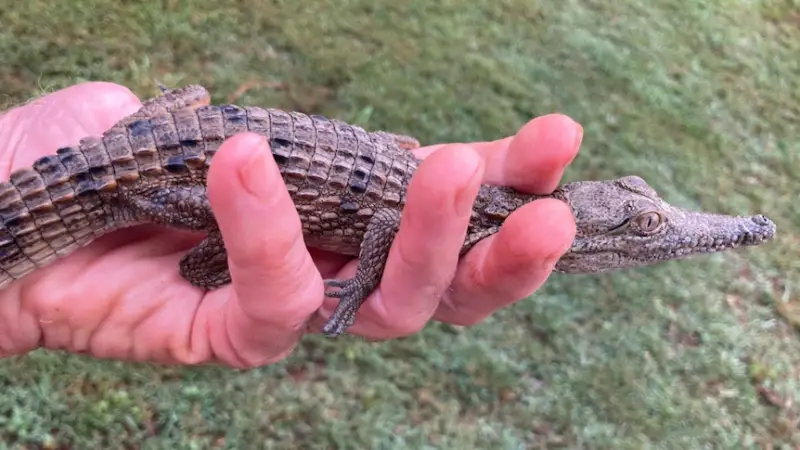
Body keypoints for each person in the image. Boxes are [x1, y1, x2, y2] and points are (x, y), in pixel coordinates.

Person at [0, 82, 582, 368]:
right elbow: (386, 218)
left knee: (197, 104)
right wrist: (358, 283)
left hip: (152, 146)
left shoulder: (472, 205)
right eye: (643, 224)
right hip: (142, 179)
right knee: (215, 252)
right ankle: (200, 262)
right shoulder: (468, 210)